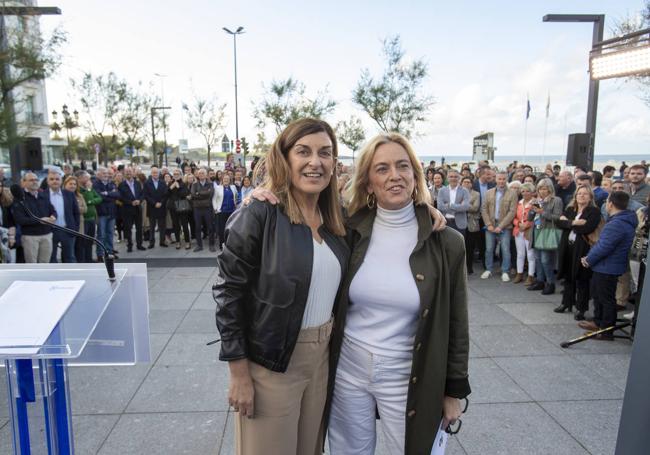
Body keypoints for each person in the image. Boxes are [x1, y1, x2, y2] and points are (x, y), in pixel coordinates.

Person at [214, 118, 350, 455]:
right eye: (303, 151)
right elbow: (229, 294)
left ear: (334, 164)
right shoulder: (260, 212)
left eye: (325, 153)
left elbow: (393, 211)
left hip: (321, 361)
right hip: (271, 363)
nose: (315, 162)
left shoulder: (337, 221)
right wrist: (239, 372)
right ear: (285, 157)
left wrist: (426, 212)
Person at [328, 133, 469, 454]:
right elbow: (302, 201)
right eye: (382, 168)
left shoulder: (447, 243)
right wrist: (262, 195)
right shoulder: (347, 231)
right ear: (367, 182)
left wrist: (454, 390)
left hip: (408, 375)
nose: (394, 175)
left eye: (403, 166)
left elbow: (457, 323)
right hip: (348, 368)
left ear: (416, 175)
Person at [579, 191, 638, 340]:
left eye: (607, 201)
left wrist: (589, 259)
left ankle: (606, 330)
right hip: (606, 265)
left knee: (606, 299)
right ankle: (598, 322)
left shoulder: (617, 223)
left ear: (610, 203)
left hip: (608, 266)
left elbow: (605, 246)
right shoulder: (620, 219)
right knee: (599, 295)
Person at [555, 186, 602, 320]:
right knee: (568, 277)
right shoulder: (571, 209)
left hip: (582, 248)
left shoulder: (594, 211)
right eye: (579, 194)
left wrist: (568, 223)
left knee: (582, 278)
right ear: (575, 196)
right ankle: (566, 303)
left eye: (585, 194)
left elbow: (587, 228)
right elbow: (559, 223)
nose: (581, 196)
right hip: (567, 247)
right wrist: (575, 222)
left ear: (590, 197)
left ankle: (581, 308)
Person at [527, 178, 563, 295]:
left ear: (550, 189)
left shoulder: (556, 200)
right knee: (537, 258)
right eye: (540, 189)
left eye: (545, 189)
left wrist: (541, 211)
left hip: (548, 231)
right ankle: (540, 281)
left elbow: (557, 217)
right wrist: (532, 209)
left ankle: (550, 283)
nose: (542, 191)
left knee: (546, 260)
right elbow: (529, 218)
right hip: (536, 231)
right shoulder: (536, 200)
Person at [480, 171, 518, 282]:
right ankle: (489, 269)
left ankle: (505, 271)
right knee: (489, 249)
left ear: (506, 180)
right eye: (499, 179)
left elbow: (512, 212)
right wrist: (489, 224)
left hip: (505, 226)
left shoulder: (512, 193)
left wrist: (501, 226)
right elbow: (484, 209)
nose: (501, 181)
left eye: (503, 179)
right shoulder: (488, 192)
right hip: (490, 225)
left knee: (505, 249)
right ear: (495, 179)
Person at [11, 173, 55, 263]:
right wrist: (40, 221)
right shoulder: (19, 198)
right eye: (31, 180)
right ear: (23, 183)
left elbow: (52, 210)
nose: (34, 182)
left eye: (36, 180)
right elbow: (20, 219)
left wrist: (53, 216)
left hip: (47, 235)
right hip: (30, 237)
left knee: (45, 264)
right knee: (32, 265)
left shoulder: (43, 195)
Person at [44, 171, 80, 263]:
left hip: (67, 229)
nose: (54, 181)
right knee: (51, 258)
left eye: (57, 179)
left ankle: (71, 276)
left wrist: (75, 228)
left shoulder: (69, 194)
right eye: (51, 179)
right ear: (47, 181)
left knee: (70, 257)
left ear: (61, 181)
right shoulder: (43, 195)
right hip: (50, 231)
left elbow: (76, 212)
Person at [93, 167, 120, 261]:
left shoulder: (111, 183)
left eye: (107, 173)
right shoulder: (95, 184)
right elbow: (99, 197)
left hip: (111, 212)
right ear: (98, 174)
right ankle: (100, 254)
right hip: (102, 213)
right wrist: (110, 195)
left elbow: (118, 195)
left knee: (110, 233)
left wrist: (106, 194)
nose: (106, 175)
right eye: (103, 173)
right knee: (101, 235)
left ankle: (109, 252)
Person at [512, 182, 536, 285]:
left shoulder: (535, 203)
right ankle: (519, 273)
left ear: (532, 192)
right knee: (520, 254)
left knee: (530, 254)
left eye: (527, 191)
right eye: (523, 191)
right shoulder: (519, 203)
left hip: (529, 231)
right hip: (519, 230)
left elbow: (535, 217)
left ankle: (531, 276)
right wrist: (518, 223)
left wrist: (526, 225)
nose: (525, 193)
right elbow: (514, 217)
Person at [118, 167, 146, 253]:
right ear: (124, 174)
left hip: (137, 208)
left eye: (130, 172)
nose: (128, 173)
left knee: (139, 228)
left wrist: (139, 200)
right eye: (126, 172)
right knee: (128, 228)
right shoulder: (121, 185)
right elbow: (120, 197)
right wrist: (130, 202)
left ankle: (139, 244)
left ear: (133, 173)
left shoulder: (137, 183)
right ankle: (129, 245)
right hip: (127, 209)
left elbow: (142, 194)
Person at [77, 171, 102, 262]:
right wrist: (88, 192)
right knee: (83, 242)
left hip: (92, 218)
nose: (89, 180)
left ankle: (89, 259)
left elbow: (99, 198)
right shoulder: (80, 189)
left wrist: (90, 202)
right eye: (86, 178)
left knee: (90, 242)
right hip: (84, 219)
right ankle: (84, 260)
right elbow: (86, 199)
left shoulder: (90, 188)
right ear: (80, 178)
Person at [436, 169, 470, 234]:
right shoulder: (442, 191)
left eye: (455, 177)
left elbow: (466, 207)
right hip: (445, 222)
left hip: (460, 224)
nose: (453, 178)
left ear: (459, 178)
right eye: (451, 177)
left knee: (459, 244)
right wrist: (459, 206)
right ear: (447, 178)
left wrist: (450, 205)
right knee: (445, 244)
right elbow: (440, 206)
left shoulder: (464, 191)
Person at [143, 166, 168, 248]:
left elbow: (165, 195)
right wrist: (154, 203)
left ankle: (162, 241)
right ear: (151, 173)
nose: (155, 174)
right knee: (152, 226)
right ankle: (151, 243)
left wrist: (161, 203)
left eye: (156, 172)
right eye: (153, 172)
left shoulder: (163, 182)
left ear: (159, 173)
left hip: (161, 207)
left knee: (162, 226)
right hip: (152, 207)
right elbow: (146, 195)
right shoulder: (147, 183)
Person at [64, 176, 87, 263]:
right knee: (69, 251)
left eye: (74, 184)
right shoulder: (62, 196)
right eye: (70, 184)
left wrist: (74, 209)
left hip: (80, 226)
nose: (73, 186)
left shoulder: (80, 196)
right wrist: (76, 209)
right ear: (65, 184)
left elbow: (85, 209)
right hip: (67, 227)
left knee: (80, 248)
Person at [190, 168, 214, 252]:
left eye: (203, 173)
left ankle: (211, 245)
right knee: (197, 227)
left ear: (206, 175)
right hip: (197, 209)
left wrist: (199, 193)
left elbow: (210, 194)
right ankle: (199, 245)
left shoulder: (210, 183)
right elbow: (193, 194)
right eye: (199, 174)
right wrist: (204, 193)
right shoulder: (194, 184)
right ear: (197, 175)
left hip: (207, 208)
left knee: (210, 227)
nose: (201, 175)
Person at [168, 168, 192, 249]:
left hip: (182, 207)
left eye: (177, 174)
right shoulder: (170, 183)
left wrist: (178, 187)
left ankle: (187, 242)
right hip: (173, 207)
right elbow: (165, 194)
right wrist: (171, 187)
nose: (176, 175)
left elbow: (186, 194)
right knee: (176, 225)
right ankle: (178, 241)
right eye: (174, 174)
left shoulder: (183, 184)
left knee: (184, 225)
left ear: (180, 175)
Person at [213, 173, 237, 250]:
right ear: (222, 180)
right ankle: (222, 244)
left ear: (230, 180)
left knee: (231, 229)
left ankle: (230, 244)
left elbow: (236, 197)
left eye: (227, 178)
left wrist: (236, 205)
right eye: (224, 179)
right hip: (222, 211)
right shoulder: (218, 188)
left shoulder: (233, 187)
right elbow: (214, 199)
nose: (226, 180)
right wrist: (216, 208)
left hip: (232, 211)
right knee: (222, 229)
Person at [462, 176, 481, 275]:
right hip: (459, 223)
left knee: (470, 247)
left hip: (472, 224)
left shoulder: (476, 194)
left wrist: (462, 205)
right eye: (464, 182)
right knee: (461, 247)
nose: (466, 184)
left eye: (468, 182)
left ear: (471, 184)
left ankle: (469, 267)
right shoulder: (458, 193)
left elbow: (475, 208)